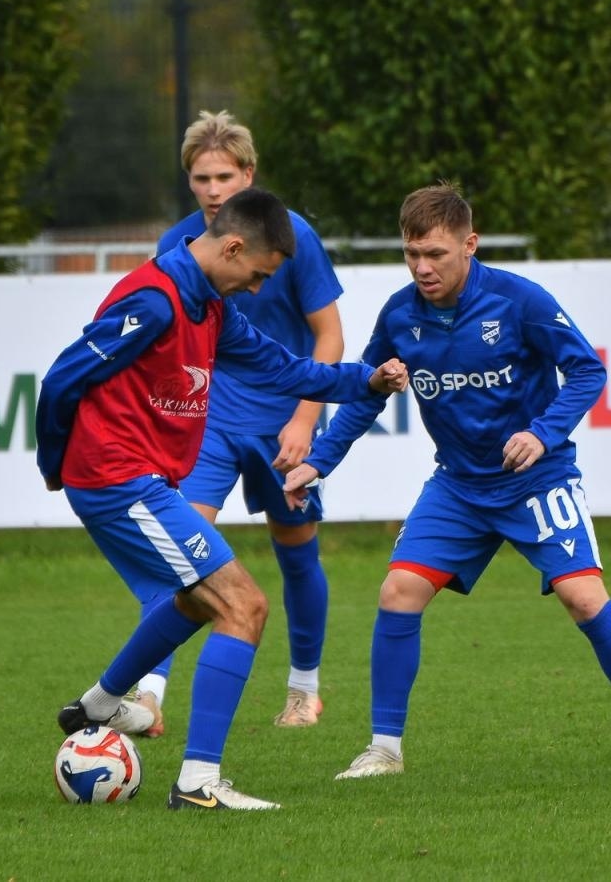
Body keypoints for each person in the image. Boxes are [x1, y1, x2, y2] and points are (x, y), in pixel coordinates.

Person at [282, 183, 611, 780]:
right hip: (458, 487)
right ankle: (384, 750)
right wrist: (320, 460)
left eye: (436, 254)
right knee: (398, 592)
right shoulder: (399, 314)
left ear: (469, 245)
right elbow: (368, 393)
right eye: (411, 253)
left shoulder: (519, 300)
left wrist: (544, 432)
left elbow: (586, 369)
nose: (422, 267)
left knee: (584, 598)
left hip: (536, 478)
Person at [36, 187, 408, 812]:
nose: (259, 289)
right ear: (233, 247)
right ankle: (197, 783)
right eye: (257, 273)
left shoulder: (211, 307)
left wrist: (364, 379)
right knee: (245, 605)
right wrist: (55, 465)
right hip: (115, 478)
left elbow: (287, 369)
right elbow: (63, 377)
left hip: (137, 480)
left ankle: (98, 706)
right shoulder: (156, 300)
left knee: (194, 600)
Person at [129, 111, 345, 732]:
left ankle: (304, 690)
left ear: (249, 175)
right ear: (190, 182)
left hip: (283, 422)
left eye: (225, 175)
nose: (214, 189)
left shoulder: (293, 236)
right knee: (183, 553)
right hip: (209, 420)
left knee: (296, 554)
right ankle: (150, 692)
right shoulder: (176, 247)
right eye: (202, 178)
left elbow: (328, 335)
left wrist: (306, 419)